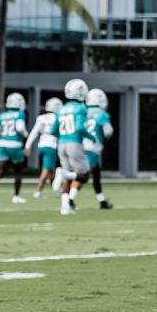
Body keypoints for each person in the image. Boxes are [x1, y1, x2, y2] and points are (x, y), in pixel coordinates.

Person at [53, 78, 101, 216]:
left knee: (68, 179)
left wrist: (63, 136)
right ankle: (63, 173)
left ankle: (64, 207)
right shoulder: (80, 108)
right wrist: (91, 137)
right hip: (74, 143)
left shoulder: (61, 109)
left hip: (61, 143)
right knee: (84, 176)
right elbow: (80, 128)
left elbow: (52, 130)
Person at [0, 93, 28, 203]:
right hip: (15, 144)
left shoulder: (2, 115)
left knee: (3, 169)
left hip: (3, 144)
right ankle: (16, 196)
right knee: (18, 172)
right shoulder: (19, 114)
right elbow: (20, 129)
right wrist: (25, 135)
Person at [24, 97, 62, 199]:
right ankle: (38, 190)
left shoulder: (41, 118)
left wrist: (28, 145)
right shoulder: (59, 117)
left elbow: (34, 133)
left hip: (42, 145)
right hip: (52, 146)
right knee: (46, 171)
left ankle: (56, 190)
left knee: (51, 170)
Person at [83, 89, 114, 210]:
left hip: (80, 145)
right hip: (92, 147)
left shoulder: (82, 111)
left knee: (96, 174)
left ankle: (102, 201)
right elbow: (108, 132)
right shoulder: (101, 113)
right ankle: (63, 176)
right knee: (83, 176)